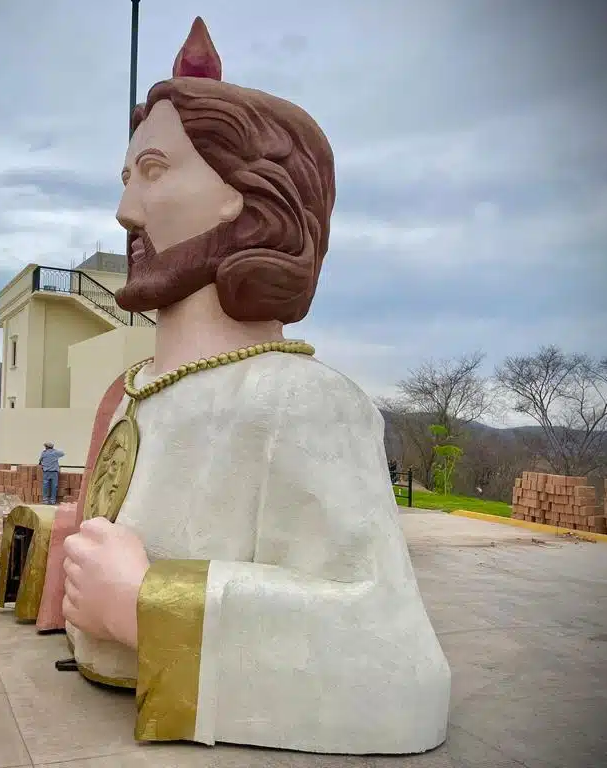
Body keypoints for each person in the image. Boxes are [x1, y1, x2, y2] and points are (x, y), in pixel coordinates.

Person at [56, 17, 450, 756]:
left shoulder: (303, 404)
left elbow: (399, 664)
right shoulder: (138, 391)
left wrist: (152, 607)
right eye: (125, 177)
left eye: (155, 171)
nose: (124, 212)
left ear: (240, 196)